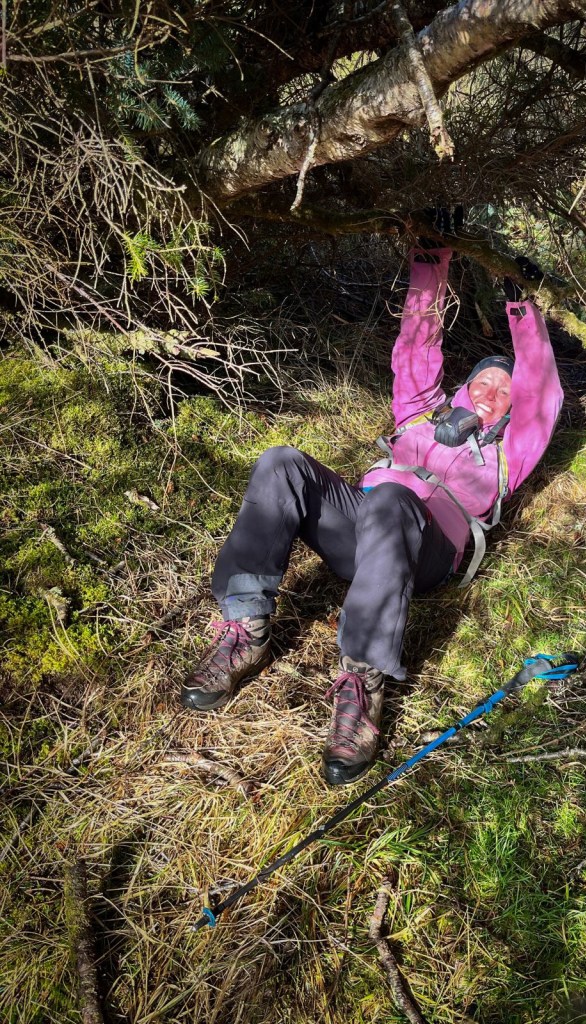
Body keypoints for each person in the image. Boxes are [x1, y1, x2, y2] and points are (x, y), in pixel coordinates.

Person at [180, 220, 564, 786]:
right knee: (281, 462)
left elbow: (543, 393)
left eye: (504, 390)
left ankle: (361, 682)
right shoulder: (421, 415)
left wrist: (521, 307)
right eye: (482, 383)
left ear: (514, 406)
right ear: (463, 389)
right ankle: (245, 630)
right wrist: (431, 255)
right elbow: (417, 345)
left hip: (424, 550)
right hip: (360, 530)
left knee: (391, 500)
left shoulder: (510, 452)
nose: (491, 393)